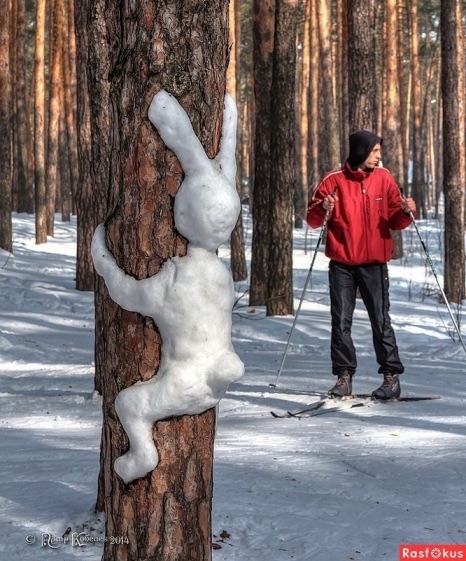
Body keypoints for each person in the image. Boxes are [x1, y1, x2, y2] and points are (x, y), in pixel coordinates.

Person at [306, 130, 416, 400]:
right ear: (360, 151)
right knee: (341, 321)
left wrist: (404, 211)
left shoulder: (384, 178)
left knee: (381, 321)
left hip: (375, 265)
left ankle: (391, 378)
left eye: (379, 151)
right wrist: (323, 206)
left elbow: (395, 220)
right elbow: (312, 219)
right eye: (374, 151)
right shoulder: (334, 180)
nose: (379, 156)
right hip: (342, 264)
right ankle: (344, 377)